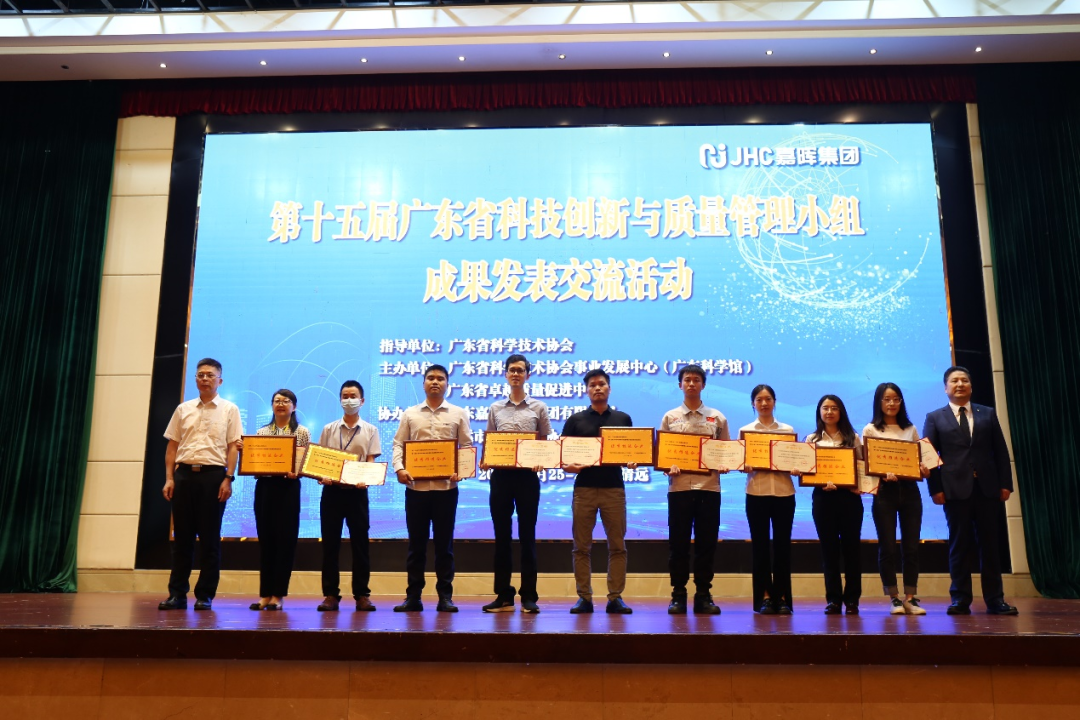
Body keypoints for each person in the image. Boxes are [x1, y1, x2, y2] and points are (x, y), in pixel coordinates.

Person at [923, 366, 1018, 615]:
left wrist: (1005, 484)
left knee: (990, 546)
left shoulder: (987, 413)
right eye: (954, 381)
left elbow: (1000, 451)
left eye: (964, 380)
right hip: (954, 490)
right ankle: (960, 599)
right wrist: (935, 489)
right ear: (946, 388)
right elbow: (929, 456)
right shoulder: (935, 417)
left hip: (987, 489)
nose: (960, 384)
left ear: (971, 386)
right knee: (959, 545)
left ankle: (995, 599)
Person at [159, 358, 241, 611]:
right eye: (201, 375)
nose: (205, 379)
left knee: (209, 539)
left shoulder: (229, 409)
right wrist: (169, 478)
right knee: (182, 539)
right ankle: (177, 594)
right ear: (195, 379)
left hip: (213, 477)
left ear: (220, 380)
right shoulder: (183, 409)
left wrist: (228, 478)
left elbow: (233, 447)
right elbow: (172, 447)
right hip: (183, 476)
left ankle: (205, 595)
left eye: (210, 375)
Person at [391, 364, 472, 612]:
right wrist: (399, 469)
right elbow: (398, 444)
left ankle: (445, 597)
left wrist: (462, 470)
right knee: (416, 546)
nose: (435, 382)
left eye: (440, 378)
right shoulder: (410, 414)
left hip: (446, 489)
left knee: (444, 546)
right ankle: (413, 597)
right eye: (430, 378)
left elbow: (466, 447)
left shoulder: (458, 413)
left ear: (447, 384)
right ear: (423, 383)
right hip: (416, 490)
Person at [480, 354, 553, 614]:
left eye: (520, 370)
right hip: (500, 477)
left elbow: (544, 441)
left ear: (527, 375)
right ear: (505, 374)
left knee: (527, 536)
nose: (515, 374)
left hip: (527, 478)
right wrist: (486, 460)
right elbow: (490, 440)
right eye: (511, 370)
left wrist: (541, 460)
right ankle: (503, 594)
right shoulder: (495, 408)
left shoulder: (539, 407)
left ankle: (529, 596)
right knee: (502, 537)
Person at [562, 368, 635, 614]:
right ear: (587, 390)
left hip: (614, 490)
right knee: (581, 547)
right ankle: (584, 597)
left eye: (601, 384)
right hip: (584, 490)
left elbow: (631, 452)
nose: (597, 388)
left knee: (617, 546)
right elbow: (563, 459)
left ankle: (615, 597)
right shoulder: (575, 420)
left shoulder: (623, 419)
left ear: (609, 388)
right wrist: (570, 467)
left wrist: (633, 460)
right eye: (592, 385)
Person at [658, 364, 730, 615]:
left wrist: (725, 463)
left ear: (703, 385)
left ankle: (703, 595)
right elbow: (663, 455)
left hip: (709, 489)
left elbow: (726, 451)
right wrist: (668, 466)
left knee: (706, 544)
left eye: (696, 380)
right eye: (687, 380)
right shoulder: (670, 417)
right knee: (678, 544)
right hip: (679, 489)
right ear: (680, 385)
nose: (691, 383)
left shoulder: (717, 418)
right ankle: (678, 595)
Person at [863, 382, 930, 616]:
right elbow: (867, 463)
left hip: (910, 491)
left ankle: (911, 597)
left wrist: (924, 469)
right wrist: (882, 472)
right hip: (885, 492)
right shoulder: (870, 429)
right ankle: (894, 598)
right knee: (888, 547)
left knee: (911, 547)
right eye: (887, 399)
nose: (892, 403)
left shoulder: (910, 428)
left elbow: (919, 460)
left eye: (896, 399)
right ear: (879, 402)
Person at [317, 380, 382, 612]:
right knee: (330, 545)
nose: (349, 400)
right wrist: (321, 475)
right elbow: (320, 459)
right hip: (332, 493)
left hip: (357, 494)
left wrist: (368, 478)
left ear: (362, 401)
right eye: (345, 396)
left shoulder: (371, 430)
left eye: (353, 396)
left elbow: (371, 461)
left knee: (360, 545)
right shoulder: (329, 429)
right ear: (340, 400)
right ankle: (330, 595)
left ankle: (362, 595)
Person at [250, 389, 311, 611]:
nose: (281, 404)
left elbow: (305, 462)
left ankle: (278, 595)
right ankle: (265, 595)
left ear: (294, 407)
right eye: (277, 400)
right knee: (266, 541)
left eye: (286, 401)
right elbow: (255, 463)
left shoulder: (301, 432)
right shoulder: (262, 431)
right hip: (265, 488)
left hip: (288, 488)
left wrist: (298, 471)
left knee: (285, 541)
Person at [805, 395, 864, 615]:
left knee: (851, 550)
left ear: (841, 412)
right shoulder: (811, 439)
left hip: (849, 499)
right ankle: (833, 600)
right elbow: (808, 469)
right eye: (825, 408)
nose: (829, 412)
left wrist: (859, 485)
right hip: (823, 499)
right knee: (828, 551)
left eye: (834, 408)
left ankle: (852, 600)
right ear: (819, 411)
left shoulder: (853, 438)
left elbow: (861, 467)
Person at [741, 384, 796, 615]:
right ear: (753, 403)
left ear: (774, 401)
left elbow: (795, 460)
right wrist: (744, 464)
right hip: (756, 494)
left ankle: (781, 598)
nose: (764, 403)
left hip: (784, 493)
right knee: (760, 548)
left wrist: (797, 466)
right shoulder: (746, 431)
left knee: (783, 548)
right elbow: (740, 462)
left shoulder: (787, 430)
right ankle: (764, 597)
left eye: (768, 399)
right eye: (759, 399)